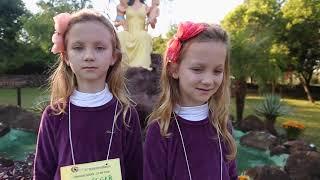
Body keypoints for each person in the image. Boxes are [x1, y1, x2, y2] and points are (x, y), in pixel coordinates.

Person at [33, 9, 143, 180]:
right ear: (66, 57)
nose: (89, 56)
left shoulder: (126, 115)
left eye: (99, 48)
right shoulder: (54, 115)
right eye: (78, 48)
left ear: (113, 56)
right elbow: (42, 173)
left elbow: (136, 172)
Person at [144, 22, 238, 180]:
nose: (208, 80)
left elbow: (232, 175)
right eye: (197, 69)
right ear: (174, 69)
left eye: (217, 71)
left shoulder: (222, 125)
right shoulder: (161, 131)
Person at [116, 0, 159, 70]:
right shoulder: (125, 6)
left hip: (141, 32)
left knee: (144, 36)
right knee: (121, 36)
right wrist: (121, 21)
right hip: (128, 32)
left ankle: (142, 67)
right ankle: (123, 67)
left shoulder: (146, 7)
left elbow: (153, 25)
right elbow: (118, 18)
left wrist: (152, 21)